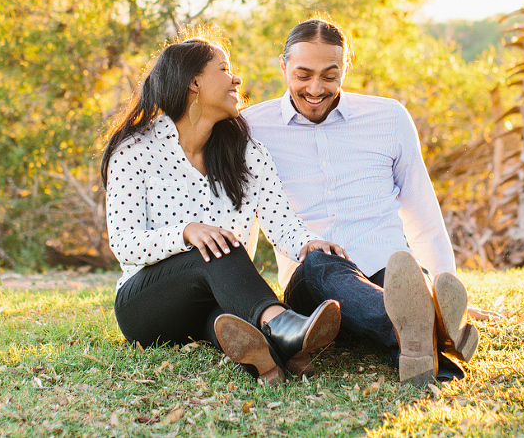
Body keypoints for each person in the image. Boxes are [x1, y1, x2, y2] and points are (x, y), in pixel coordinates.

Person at [241, 18, 479, 386]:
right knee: (322, 261)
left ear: (346, 68)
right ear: (283, 65)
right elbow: (242, 218)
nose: (316, 88)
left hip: (389, 269)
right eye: (303, 74)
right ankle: (436, 329)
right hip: (312, 283)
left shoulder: (388, 117)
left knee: (402, 278)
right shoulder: (251, 127)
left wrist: (444, 282)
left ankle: (421, 343)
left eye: (329, 75)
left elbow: (423, 215)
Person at [102, 34, 348, 385]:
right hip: (146, 307)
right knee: (218, 245)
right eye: (225, 69)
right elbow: (124, 243)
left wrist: (309, 243)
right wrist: (185, 232)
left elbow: (281, 222)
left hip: (220, 302)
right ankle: (284, 325)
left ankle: (268, 359)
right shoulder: (136, 151)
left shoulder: (247, 152)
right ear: (195, 83)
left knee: (227, 325)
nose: (237, 79)